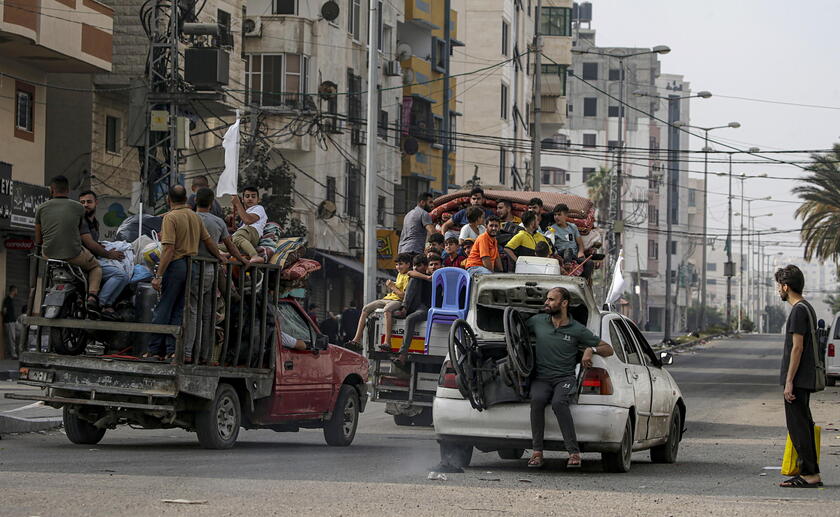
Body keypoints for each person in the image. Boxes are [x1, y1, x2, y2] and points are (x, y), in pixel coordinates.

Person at [526, 287, 613, 469]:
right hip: (541, 378)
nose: (546, 303)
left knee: (559, 403)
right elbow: (512, 331)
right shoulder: (537, 321)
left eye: (551, 300)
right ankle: (537, 452)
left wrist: (591, 350)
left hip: (564, 378)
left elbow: (608, 349)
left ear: (564, 303)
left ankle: (573, 453)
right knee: (537, 400)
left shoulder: (577, 330)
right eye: (547, 299)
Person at [147, 185, 226, 361]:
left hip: (175, 266)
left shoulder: (170, 217)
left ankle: (153, 351)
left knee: (164, 308)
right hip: (192, 267)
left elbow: (168, 249)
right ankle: (171, 350)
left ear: (169, 199)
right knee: (177, 311)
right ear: (186, 199)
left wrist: (158, 275)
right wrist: (220, 257)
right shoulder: (194, 216)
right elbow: (209, 241)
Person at [186, 187, 248, 363]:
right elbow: (230, 245)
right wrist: (241, 260)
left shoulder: (190, 218)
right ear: (212, 203)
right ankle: (205, 355)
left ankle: (189, 352)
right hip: (210, 272)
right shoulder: (218, 222)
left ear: (195, 201)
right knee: (207, 315)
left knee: (192, 312)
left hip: (192, 268)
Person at [775, 265, 823, 488]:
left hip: (798, 380)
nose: (779, 291)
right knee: (803, 424)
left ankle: (809, 474)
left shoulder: (798, 311)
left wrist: (789, 381)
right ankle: (811, 472)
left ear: (786, 287)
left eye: (779, 287)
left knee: (798, 427)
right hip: (804, 378)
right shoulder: (807, 308)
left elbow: (797, 348)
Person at [35, 176, 102, 316]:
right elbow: (82, 233)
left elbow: (38, 239)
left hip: (49, 254)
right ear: (68, 190)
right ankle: (91, 297)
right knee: (96, 267)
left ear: (51, 190)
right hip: (73, 254)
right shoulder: (78, 208)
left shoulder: (41, 208)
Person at [79, 190, 129, 319]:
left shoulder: (94, 222)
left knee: (125, 275)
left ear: (96, 203)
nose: (85, 205)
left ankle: (107, 305)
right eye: (82, 202)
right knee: (120, 274)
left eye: (89, 202)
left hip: (93, 258)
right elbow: (89, 244)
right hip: (85, 260)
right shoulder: (81, 221)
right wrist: (109, 254)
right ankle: (98, 303)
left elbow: (94, 243)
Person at [347, 253, 413, 349]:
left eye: (401, 264)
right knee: (365, 308)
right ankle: (356, 340)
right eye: (397, 264)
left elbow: (403, 296)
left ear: (408, 264)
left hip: (398, 301)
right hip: (388, 298)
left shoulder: (408, 276)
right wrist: (393, 285)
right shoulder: (399, 274)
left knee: (387, 309)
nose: (398, 267)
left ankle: (387, 341)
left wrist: (392, 286)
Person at [386, 254, 433, 360]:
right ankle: (404, 308)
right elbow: (410, 272)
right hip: (414, 305)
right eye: (415, 266)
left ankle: (402, 354)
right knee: (413, 279)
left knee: (410, 319)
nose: (416, 268)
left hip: (426, 308)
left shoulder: (435, 276)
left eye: (419, 266)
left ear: (425, 266)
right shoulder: (417, 275)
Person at [226, 186, 268, 264]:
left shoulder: (259, 208)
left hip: (252, 233)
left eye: (253, 196)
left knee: (237, 237)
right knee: (220, 245)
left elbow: (248, 220)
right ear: (243, 199)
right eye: (247, 196)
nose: (250, 198)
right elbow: (239, 228)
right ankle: (225, 253)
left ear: (258, 200)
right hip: (244, 237)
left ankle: (254, 255)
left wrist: (237, 203)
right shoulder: (245, 212)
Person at [3, 285, 18, 359]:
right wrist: (8, 318)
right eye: (16, 290)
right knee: (11, 338)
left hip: (12, 321)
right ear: (13, 290)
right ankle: (13, 355)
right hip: (9, 322)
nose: (17, 292)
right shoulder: (7, 299)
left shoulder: (11, 299)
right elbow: (4, 310)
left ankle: (13, 354)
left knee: (13, 338)